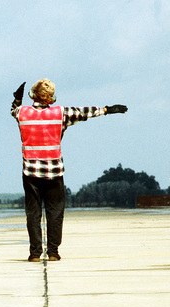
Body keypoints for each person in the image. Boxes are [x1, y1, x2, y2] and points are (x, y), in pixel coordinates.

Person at [11, 79, 127, 262]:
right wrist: (107, 109)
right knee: (55, 211)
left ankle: (34, 253)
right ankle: (53, 252)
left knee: (33, 213)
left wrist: (17, 100)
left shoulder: (22, 112)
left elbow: (13, 111)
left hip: (30, 172)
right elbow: (83, 113)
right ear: (51, 98)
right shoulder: (60, 113)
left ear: (33, 95)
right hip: (55, 171)